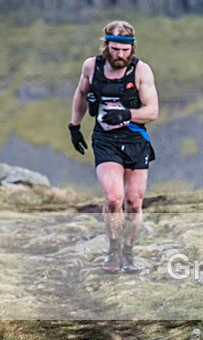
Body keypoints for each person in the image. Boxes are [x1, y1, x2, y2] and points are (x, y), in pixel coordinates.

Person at [68, 20, 158, 274]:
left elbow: (152, 111)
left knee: (133, 201)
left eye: (125, 50)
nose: (120, 55)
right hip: (105, 139)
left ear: (132, 48)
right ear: (106, 45)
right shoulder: (91, 66)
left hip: (135, 139)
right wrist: (74, 127)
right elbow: (81, 93)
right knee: (113, 197)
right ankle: (113, 248)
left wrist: (126, 114)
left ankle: (128, 253)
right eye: (115, 49)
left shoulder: (141, 71)